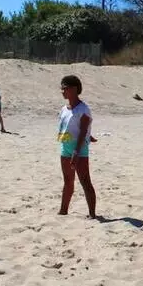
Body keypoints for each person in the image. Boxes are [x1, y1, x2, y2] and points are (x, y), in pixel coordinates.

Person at [57, 75, 97, 217]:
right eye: (61, 88)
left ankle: (92, 214)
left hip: (78, 150)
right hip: (65, 148)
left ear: (74, 89)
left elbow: (84, 129)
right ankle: (63, 211)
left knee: (85, 181)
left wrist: (76, 151)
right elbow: (69, 127)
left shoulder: (83, 109)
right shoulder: (64, 109)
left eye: (65, 88)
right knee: (68, 181)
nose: (62, 91)